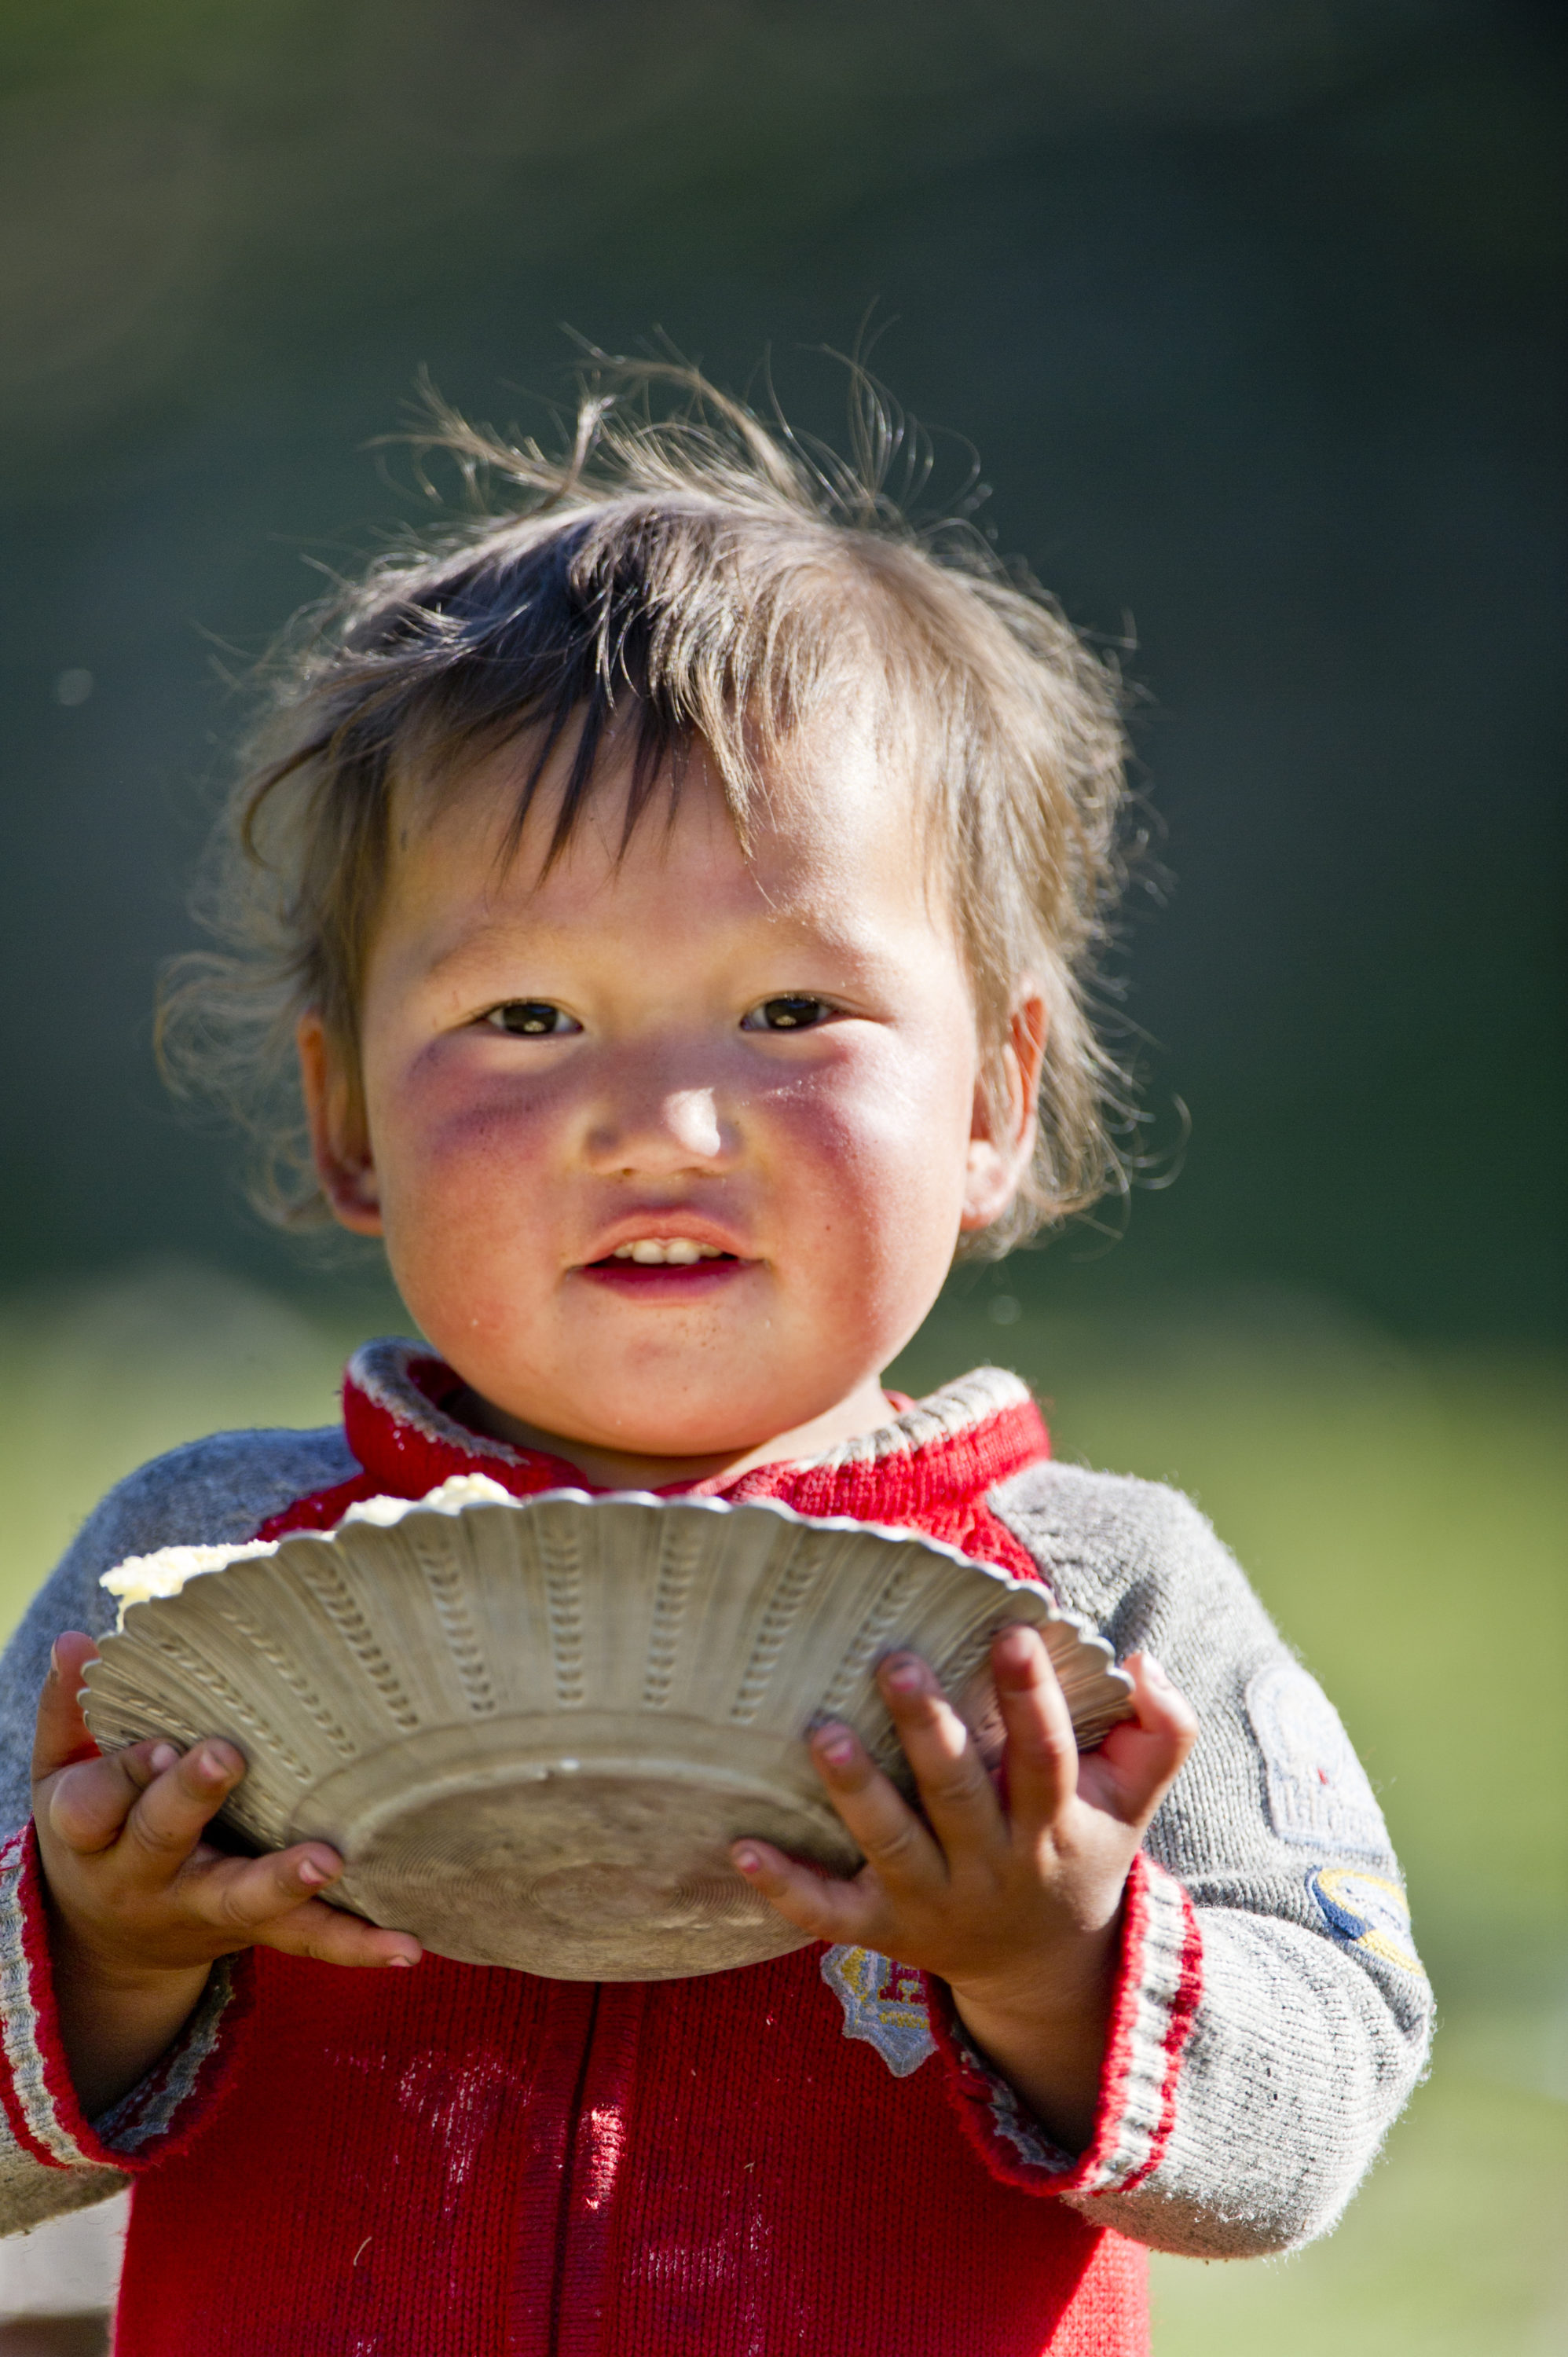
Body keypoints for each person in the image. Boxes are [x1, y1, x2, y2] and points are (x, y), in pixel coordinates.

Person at [0, 368, 1431, 2355]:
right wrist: (101, 1947)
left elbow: (1320, 2102)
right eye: (521, 1016)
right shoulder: (199, 1570)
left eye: (785, 1006)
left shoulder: (1096, 1608)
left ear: (992, 1100)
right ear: (345, 1123)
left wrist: (1059, 1954)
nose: (662, 1119)